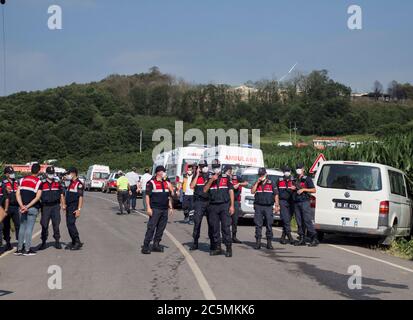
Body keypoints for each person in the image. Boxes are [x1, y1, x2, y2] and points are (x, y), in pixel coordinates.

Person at [203, 160, 235, 258]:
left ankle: (228, 247)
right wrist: (212, 180)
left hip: (224, 205)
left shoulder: (226, 177)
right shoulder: (209, 177)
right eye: (214, 167)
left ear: (220, 167)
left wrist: (232, 205)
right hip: (213, 206)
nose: (216, 168)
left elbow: (231, 191)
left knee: (225, 227)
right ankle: (217, 247)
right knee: (214, 227)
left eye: (217, 166)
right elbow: (204, 190)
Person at [141, 166, 174, 254]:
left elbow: (169, 196)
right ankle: (145, 246)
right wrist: (148, 207)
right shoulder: (151, 182)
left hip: (164, 209)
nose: (164, 173)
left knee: (161, 228)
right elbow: (147, 195)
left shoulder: (166, 182)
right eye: (163, 172)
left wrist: (170, 207)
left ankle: (156, 244)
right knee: (151, 227)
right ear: (158, 172)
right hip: (155, 209)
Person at [15, 163, 42, 256]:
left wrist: (22, 205)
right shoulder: (39, 182)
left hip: (21, 207)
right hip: (32, 208)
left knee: (22, 227)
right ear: (38, 171)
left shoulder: (22, 180)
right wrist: (27, 206)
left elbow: (17, 194)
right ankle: (27, 249)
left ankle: (19, 249)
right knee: (29, 229)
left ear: (31, 170)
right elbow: (37, 197)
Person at [251, 168, 280, 250]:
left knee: (269, 224)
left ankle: (269, 243)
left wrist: (277, 205)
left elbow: (276, 194)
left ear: (266, 174)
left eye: (262, 175)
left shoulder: (271, 183)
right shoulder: (257, 183)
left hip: (268, 206)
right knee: (258, 225)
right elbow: (252, 192)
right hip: (258, 206)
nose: (261, 176)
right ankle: (258, 242)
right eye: (260, 175)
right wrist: (257, 182)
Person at [38, 166, 65, 250]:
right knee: (44, 225)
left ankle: (57, 241)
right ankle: (43, 242)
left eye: (52, 173)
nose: (51, 175)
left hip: (55, 206)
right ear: (46, 174)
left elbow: (61, 194)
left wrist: (63, 204)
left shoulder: (58, 182)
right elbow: (37, 195)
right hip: (45, 207)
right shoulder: (41, 183)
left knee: (56, 224)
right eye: (50, 173)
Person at [293, 164, 318, 247]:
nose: (298, 170)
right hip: (297, 202)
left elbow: (313, 190)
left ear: (303, 169)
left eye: (299, 168)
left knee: (307, 220)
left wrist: (304, 189)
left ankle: (313, 238)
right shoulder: (295, 179)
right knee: (299, 221)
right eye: (297, 168)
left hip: (305, 202)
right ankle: (302, 238)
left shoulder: (307, 179)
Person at [189, 160, 212, 251]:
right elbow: (191, 186)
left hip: (209, 202)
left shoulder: (210, 175)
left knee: (211, 223)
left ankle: (213, 243)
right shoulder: (196, 176)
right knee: (197, 222)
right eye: (200, 166)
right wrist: (197, 174)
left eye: (203, 166)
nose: (202, 168)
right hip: (199, 202)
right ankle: (195, 242)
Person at [226, 166, 248, 244]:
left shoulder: (236, 177)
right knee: (226, 221)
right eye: (227, 171)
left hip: (235, 201)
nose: (229, 172)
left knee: (235, 220)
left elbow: (246, 183)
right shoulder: (224, 178)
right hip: (226, 202)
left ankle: (234, 237)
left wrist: (239, 184)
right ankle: (226, 237)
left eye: (229, 171)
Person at [64, 167, 84, 250]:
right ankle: (73, 241)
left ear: (74, 173)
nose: (68, 175)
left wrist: (79, 209)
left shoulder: (79, 184)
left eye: (69, 173)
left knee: (71, 224)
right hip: (69, 206)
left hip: (74, 207)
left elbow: (80, 197)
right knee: (68, 225)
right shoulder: (70, 183)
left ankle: (77, 241)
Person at [277, 166, 296, 245]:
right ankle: (290, 237)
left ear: (290, 171)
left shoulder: (293, 180)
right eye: (285, 171)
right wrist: (276, 203)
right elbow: (276, 193)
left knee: (288, 220)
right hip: (283, 201)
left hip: (291, 202)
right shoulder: (279, 180)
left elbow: (298, 188)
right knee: (285, 219)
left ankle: (282, 237)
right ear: (283, 172)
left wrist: (295, 188)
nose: (287, 172)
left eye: (288, 171)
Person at [2, 166, 19, 252]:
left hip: (16, 207)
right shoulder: (3, 183)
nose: (12, 174)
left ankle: (19, 242)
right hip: (6, 207)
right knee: (6, 226)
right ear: (6, 174)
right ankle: (8, 242)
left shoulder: (17, 182)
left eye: (12, 172)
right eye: (9, 172)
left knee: (18, 225)